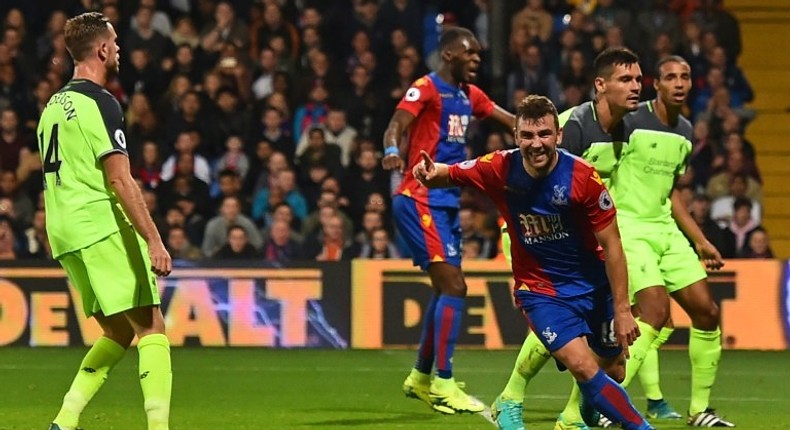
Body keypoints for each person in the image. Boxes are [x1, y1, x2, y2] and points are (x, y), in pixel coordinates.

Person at [414, 94, 654, 430]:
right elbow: (450, 173)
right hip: (541, 290)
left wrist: (622, 309)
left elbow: (612, 245)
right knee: (583, 367)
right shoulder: (500, 167)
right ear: (516, 136)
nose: (536, 144)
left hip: (593, 284)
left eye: (544, 134)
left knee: (613, 370)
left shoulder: (583, 177)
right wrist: (427, 172)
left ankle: (584, 410)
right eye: (527, 135)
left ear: (558, 136)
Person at [491, 47, 643, 430]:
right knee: (561, 321)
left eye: (639, 79)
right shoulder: (571, 127)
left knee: (616, 367)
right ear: (600, 85)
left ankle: (583, 409)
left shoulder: (624, 129)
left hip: (580, 244)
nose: (636, 87)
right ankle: (514, 397)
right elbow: (535, 188)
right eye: (626, 79)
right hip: (537, 240)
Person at [38, 13, 172, 430]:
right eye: (113, 42)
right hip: (99, 224)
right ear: (100, 49)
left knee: (116, 330)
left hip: (63, 232)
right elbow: (119, 178)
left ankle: (64, 419)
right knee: (152, 326)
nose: (117, 48)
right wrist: (154, 240)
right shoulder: (101, 102)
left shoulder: (51, 107)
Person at [381, 26, 514, 414]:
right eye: (470, 54)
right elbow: (397, 124)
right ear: (450, 55)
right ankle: (443, 380)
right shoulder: (425, 87)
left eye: (479, 55)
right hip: (418, 197)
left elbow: (507, 120)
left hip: (446, 202)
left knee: (447, 289)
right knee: (454, 286)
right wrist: (392, 149)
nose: (476, 60)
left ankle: (421, 377)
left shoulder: (470, 96)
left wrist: (549, 132)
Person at [611, 55, 733, 427]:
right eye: (670, 77)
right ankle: (607, 404)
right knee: (654, 312)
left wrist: (699, 240)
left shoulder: (684, 130)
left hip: (665, 229)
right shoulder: (628, 122)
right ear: (656, 84)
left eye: (684, 77)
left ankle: (699, 410)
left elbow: (672, 193)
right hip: (630, 227)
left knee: (707, 311)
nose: (678, 83)